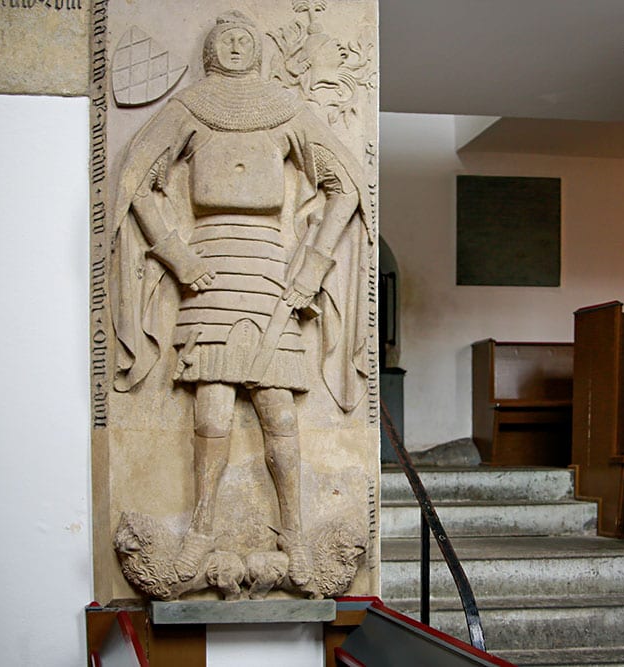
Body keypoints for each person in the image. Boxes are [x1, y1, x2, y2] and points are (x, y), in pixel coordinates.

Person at [110, 10, 371, 590]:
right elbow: (137, 179)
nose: (233, 44)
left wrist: (315, 264)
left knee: (279, 409)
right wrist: (176, 253)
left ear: (257, 50)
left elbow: (344, 187)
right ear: (208, 51)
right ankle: (201, 531)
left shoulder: (285, 111)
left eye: (243, 37)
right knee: (212, 410)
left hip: (270, 270)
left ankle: (295, 534)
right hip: (209, 269)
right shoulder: (191, 110)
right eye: (223, 37)